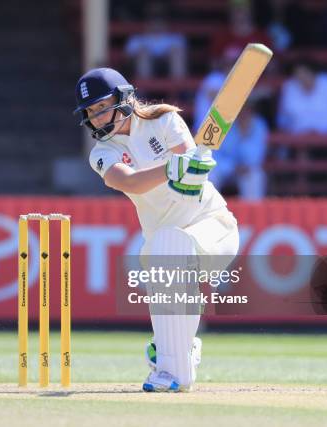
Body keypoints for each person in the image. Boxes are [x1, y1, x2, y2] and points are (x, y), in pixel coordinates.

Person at [74, 68, 239, 392]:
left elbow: (191, 184)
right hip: (165, 245)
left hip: (214, 229)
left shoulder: (165, 121)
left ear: (123, 98)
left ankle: (169, 370)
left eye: (101, 106)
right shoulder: (101, 153)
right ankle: (176, 349)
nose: (96, 117)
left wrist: (190, 170)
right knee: (167, 249)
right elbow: (128, 181)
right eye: (90, 112)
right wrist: (170, 168)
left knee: (170, 246)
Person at [208, 101, 269, 200]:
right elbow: (214, 155)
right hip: (223, 168)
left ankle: (251, 214)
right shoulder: (222, 123)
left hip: (246, 169)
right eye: (241, 108)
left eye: (247, 109)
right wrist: (232, 167)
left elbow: (256, 158)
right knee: (209, 175)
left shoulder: (259, 125)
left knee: (255, 177)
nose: (244, 112)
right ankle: (208, 214)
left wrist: (245, 134)